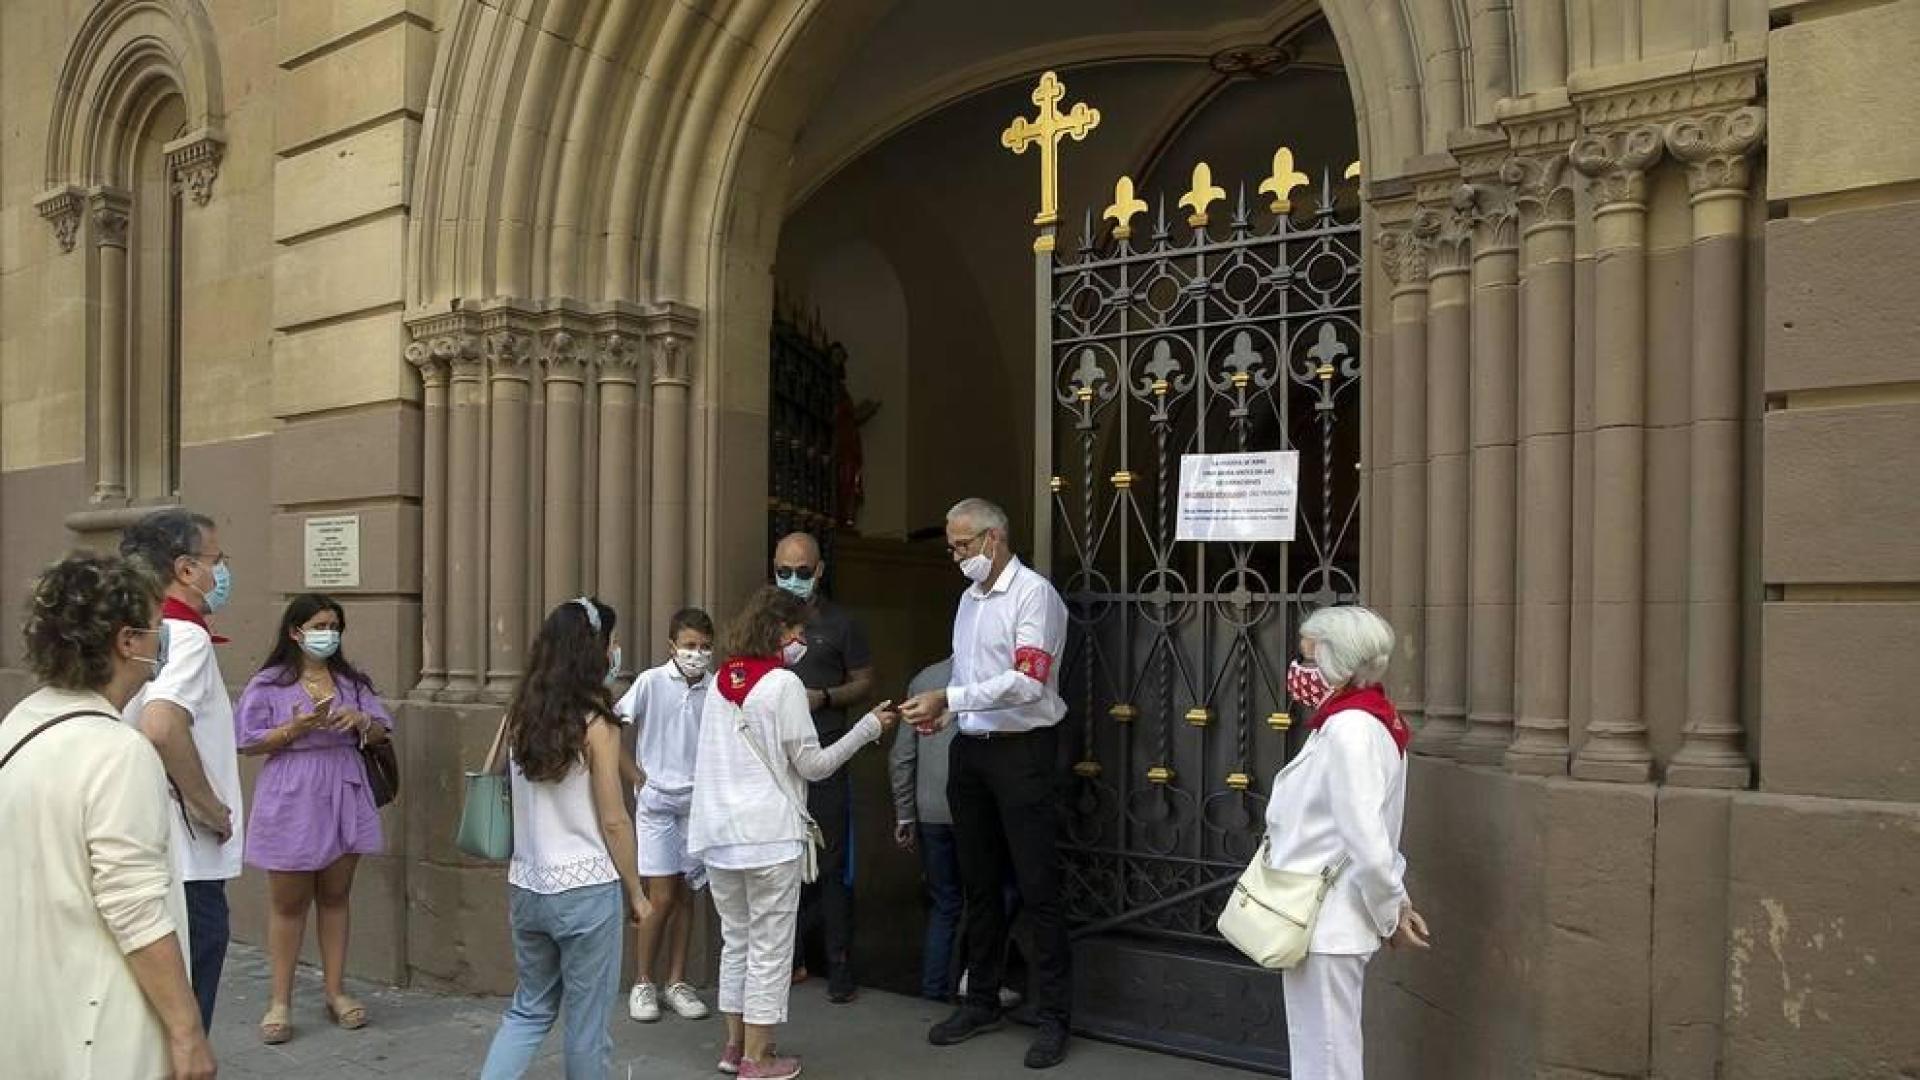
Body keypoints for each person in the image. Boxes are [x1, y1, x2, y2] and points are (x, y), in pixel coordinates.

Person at [0, 552, 215, 1080]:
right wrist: (187, 1030)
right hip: (101, 1023)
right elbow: (135, 908)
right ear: (126, 641)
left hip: (31, 1007)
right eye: (155, 631)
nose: (159, 644)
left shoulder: (19, 724)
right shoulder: (120, 751)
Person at [687, 586, 898, 1080]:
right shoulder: (782, 685)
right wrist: (867, 728)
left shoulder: (719, 681)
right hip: (767, 836)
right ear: (778, 632)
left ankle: (734, 1047)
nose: (801, 640)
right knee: (770, 948)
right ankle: (760, 1060)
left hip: (719, 833)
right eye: (797, 632)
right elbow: (814, 765)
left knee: (735, 942)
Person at [901, 497, 1074, 1070]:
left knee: (1036, 886)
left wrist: (950, 698)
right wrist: (949, 715)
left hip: (1023, 753)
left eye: (962, 545)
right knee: (978, 884)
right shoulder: (969, 601)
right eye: (952, 546)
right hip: (972, 752)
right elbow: (972, 676)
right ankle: (981, 999)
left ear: (993, 539)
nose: (955, 556)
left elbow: (1028, 682)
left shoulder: (1033, 595)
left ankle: (1054, 1018)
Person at [480, 598, 651, 1080]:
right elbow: (614, 820)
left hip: (528, 884)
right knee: (587, 1026)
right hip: (587, 890)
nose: (616, 651)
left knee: (528, 1010)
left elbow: (494, 777)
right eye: (612, 642)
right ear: (593, 650)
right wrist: (637, 892)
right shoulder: (596, 722)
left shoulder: (519, 713)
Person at [1270, 605, 1430, 1079]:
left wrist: (1390, 915)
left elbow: (1367, 839)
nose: (1300, 672)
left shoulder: (1351, 730)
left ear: (1338, 665)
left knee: (1327, 1061)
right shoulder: (1353, 722)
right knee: (1322, 1053)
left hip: (1328, 920)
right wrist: (1394, 906)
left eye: (1309, 660)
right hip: (1320, 918)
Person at [236, 594, 395, 1043]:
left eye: (335, 625)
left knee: (335, 894)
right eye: (320, 624)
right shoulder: (269, 684)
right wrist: (296, 728)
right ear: (295, 631)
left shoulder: (352, 681)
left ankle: (335, 991)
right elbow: (247, 741)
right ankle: (280, 1001)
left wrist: (361, 719)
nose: (329, 633)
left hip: (344, 786)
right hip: (292, 792)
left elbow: (384, 728)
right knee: (288, 903)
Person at [120, 508, 245, 1032]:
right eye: (218, 560)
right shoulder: (184, 636)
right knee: (188, 1023)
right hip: (189, 858)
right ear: (186, 569)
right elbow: (162, 724)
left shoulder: (141, 631)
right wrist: (210, 806)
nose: (223, 573)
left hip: (153, 846)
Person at [770, 531, 873, 1002]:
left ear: (820, 570)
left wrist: (824, 697)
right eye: (783, 571)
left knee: (830, 865)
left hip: (827, 751)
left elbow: (864, 682)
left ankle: (839, 965)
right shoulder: (764, 622)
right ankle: (785, 961)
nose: (792, 580)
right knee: (778, 861)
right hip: (774, 762)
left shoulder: (841, 623)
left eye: (801, 571)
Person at [617, 606, 716, 1023]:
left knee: (688, 893)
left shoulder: (716, 688)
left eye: (705, 647)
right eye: (690, 645)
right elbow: (611, 725)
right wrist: (636, 775)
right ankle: (644, 982)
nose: (697, 654)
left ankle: (677, 981)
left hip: (698, 803)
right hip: (657, 802)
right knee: (660, 895)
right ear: (672, 645)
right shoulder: (650, 682)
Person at [888, 655, 964, 1002]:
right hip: (973, 811)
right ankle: (974, 979)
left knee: (944, 902)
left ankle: (934, 989)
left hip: (931, 810)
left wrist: (905, 814)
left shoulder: (924, 678)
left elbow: (903, 754)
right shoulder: (989, 679)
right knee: (990, 897)